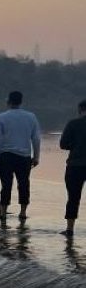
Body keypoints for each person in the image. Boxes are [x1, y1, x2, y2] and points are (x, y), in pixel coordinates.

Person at [0, 90, 42, 223]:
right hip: (24, 156)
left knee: (6, 184)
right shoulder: (31, 117)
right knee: (24, 184)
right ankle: (23, 212)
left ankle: (3, 212)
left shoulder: (1, 117)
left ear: (8, 101)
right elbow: (36, 138)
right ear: (21, 101)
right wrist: (36, 156)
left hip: (5, 156)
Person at [60, 98, 86, 238]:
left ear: (80, 109)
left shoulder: (73, 123)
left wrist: (75, 146)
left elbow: (63, 144)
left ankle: (70, 229)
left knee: (73, 198)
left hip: (75, 165)